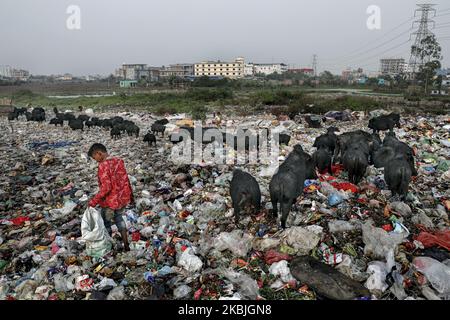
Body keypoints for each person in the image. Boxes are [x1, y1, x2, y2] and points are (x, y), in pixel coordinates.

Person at [87, 143, 133, 251]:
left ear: (99, 153)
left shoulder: (103, 165)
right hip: (122, 198)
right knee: (119, 218)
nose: (96, 160)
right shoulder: (118, 161)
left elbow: (106, 187)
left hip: (110, 201)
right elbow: (126, 179)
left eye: (95, 158)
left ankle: (110, 247)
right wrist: (130, 196)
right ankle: (126, 244)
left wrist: (94, 201)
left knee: (106, 222)